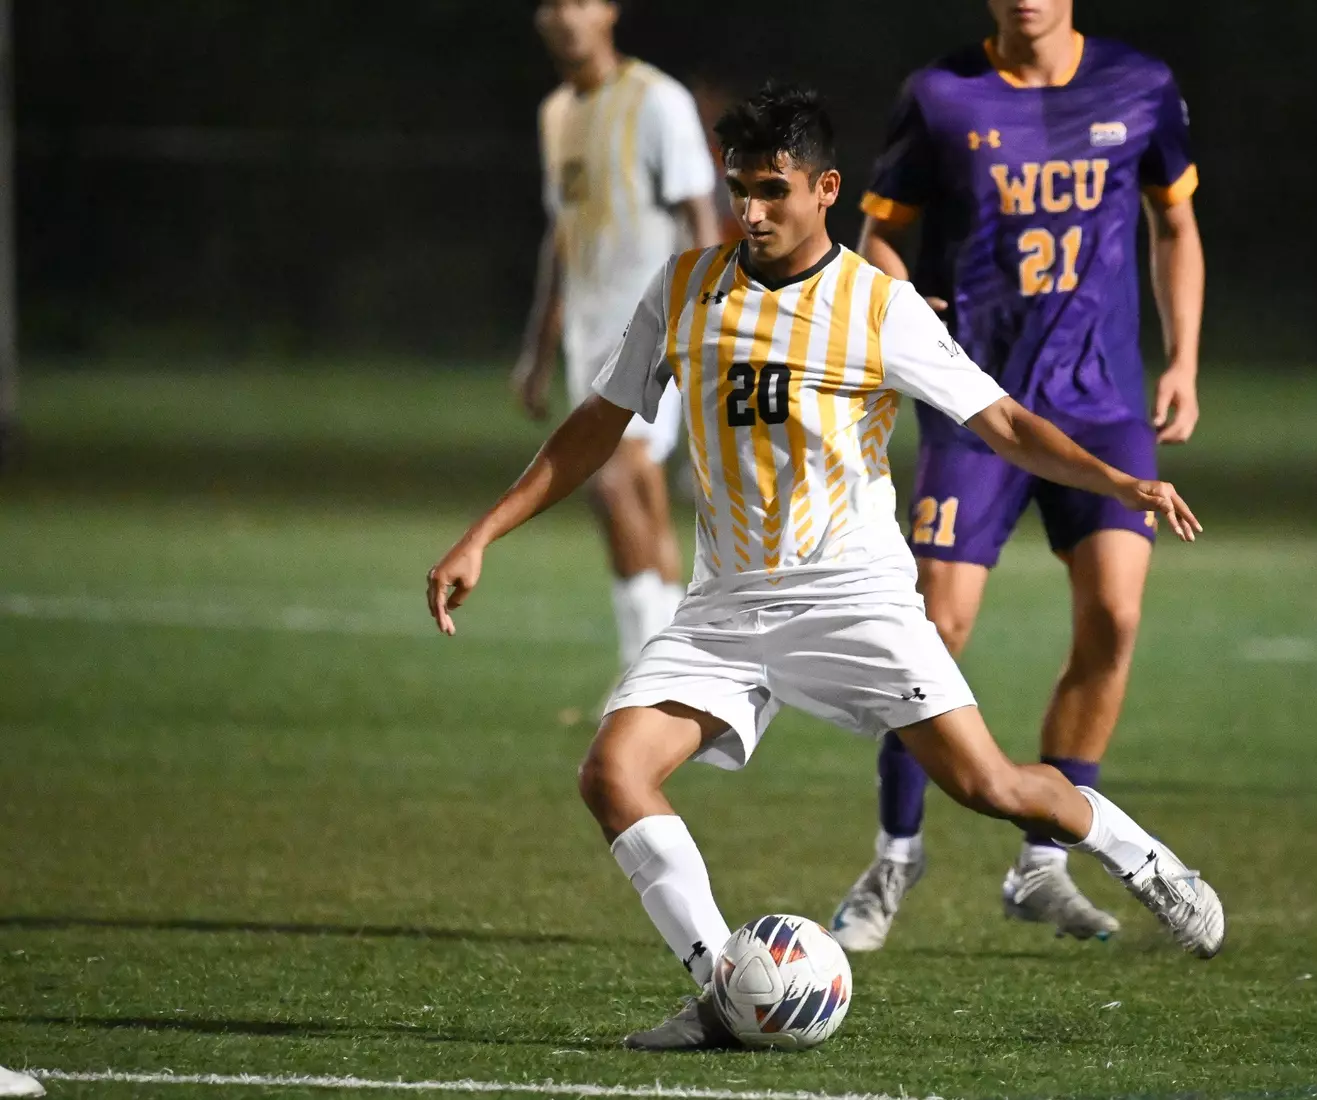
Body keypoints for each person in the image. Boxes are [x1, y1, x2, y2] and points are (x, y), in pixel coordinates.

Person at [426, 83, 1222, 1052]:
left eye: (772, 189)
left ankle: (1137, 854)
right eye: (738, 189)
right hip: (724, 607)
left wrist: (1118, 480)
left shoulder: (877, 308)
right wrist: (483, 532)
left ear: (825, 189)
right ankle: (726, 986)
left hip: (853, 600)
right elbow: (597, 424)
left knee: (992, 787)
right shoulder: (682, 288)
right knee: (612, 772)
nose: (750, 211)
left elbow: (1002, 422)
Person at [830, 0, 1207, 950]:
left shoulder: (1141, 85)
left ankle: (1043, 860)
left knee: (1114, 620)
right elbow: (878, 237)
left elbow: (1176, 223)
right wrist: (898, 291)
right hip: (976, 406)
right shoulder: (943, 95)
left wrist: (1183, 358)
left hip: (1103, 403)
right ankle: (894, 858)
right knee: (935, 630)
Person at [511, 0, 722, 675]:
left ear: (608, 12)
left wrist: (709, 313)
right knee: (634, 504)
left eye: (581, 3)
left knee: (613, 480)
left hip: (657, 327)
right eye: (555, 7)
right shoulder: (555, 113)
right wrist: (537, 351)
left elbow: (701, 212)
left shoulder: (657, 100)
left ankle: (648, 672)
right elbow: (560, 236)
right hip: (589, 338)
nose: (567, 18)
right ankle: (676, 672)